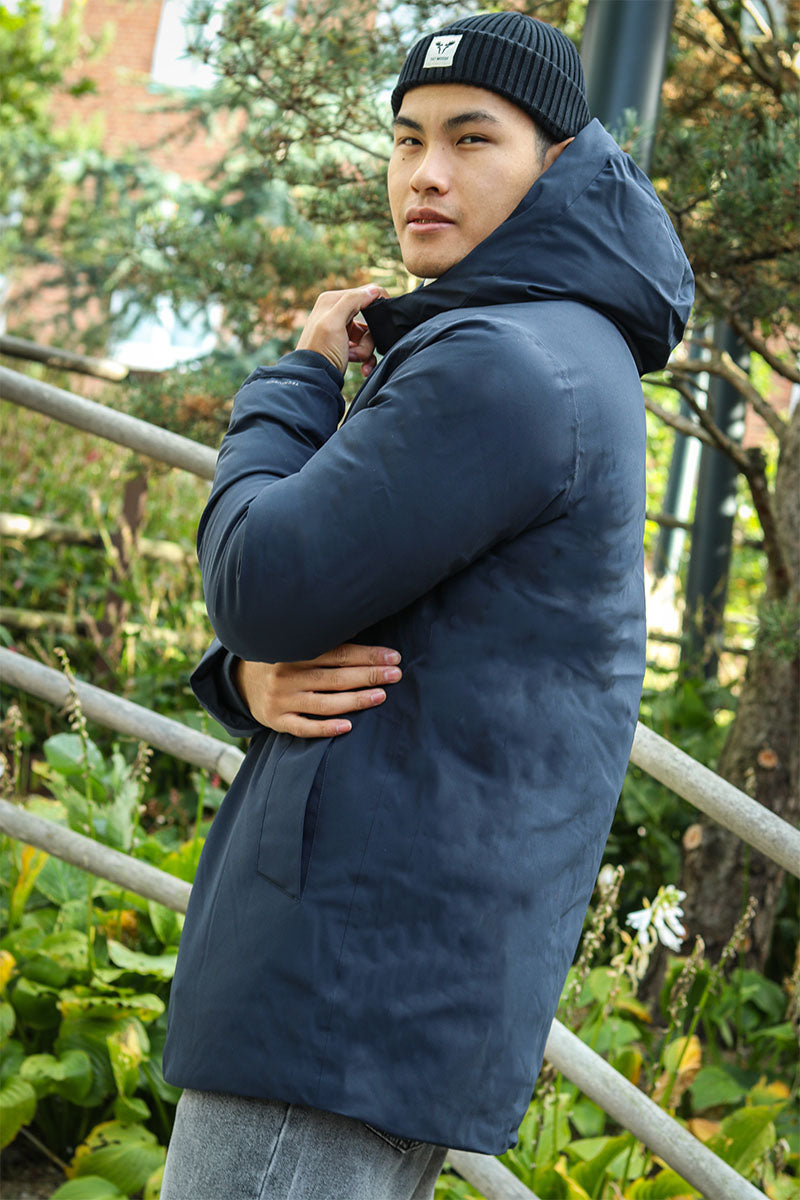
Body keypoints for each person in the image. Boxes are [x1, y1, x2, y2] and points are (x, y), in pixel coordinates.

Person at [161, 11, 693, 1199]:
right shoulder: (550, 342)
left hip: (337, 996)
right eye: (406, 139)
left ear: (557, 160)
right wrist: (249, 673)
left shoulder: (504, 363)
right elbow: (369, 613)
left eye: (471, 137)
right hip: (382, 983)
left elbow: (257, 581)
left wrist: (298, 377)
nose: (426, 174)